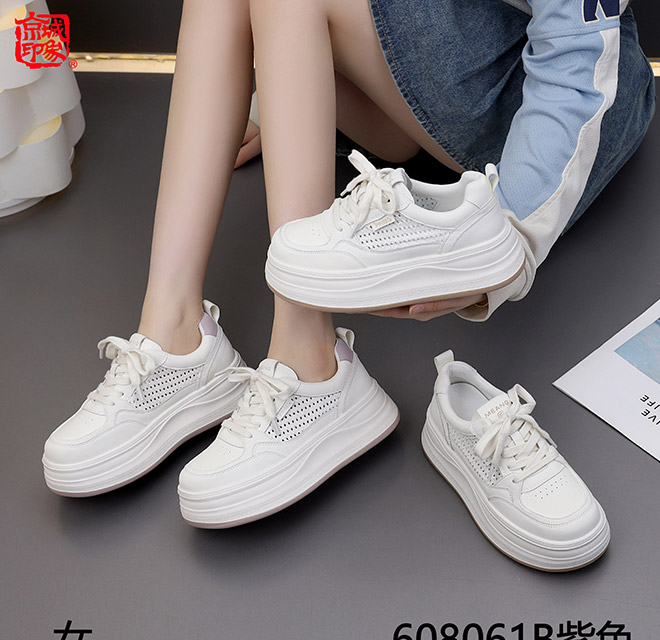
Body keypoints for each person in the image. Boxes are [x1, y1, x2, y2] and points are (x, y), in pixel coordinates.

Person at [43, 0, 654, 528]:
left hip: (557, 106)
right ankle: (174, 332)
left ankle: (311, 363)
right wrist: (274, 80)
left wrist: (501, 240)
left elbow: (577, 60)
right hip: (437, 71)